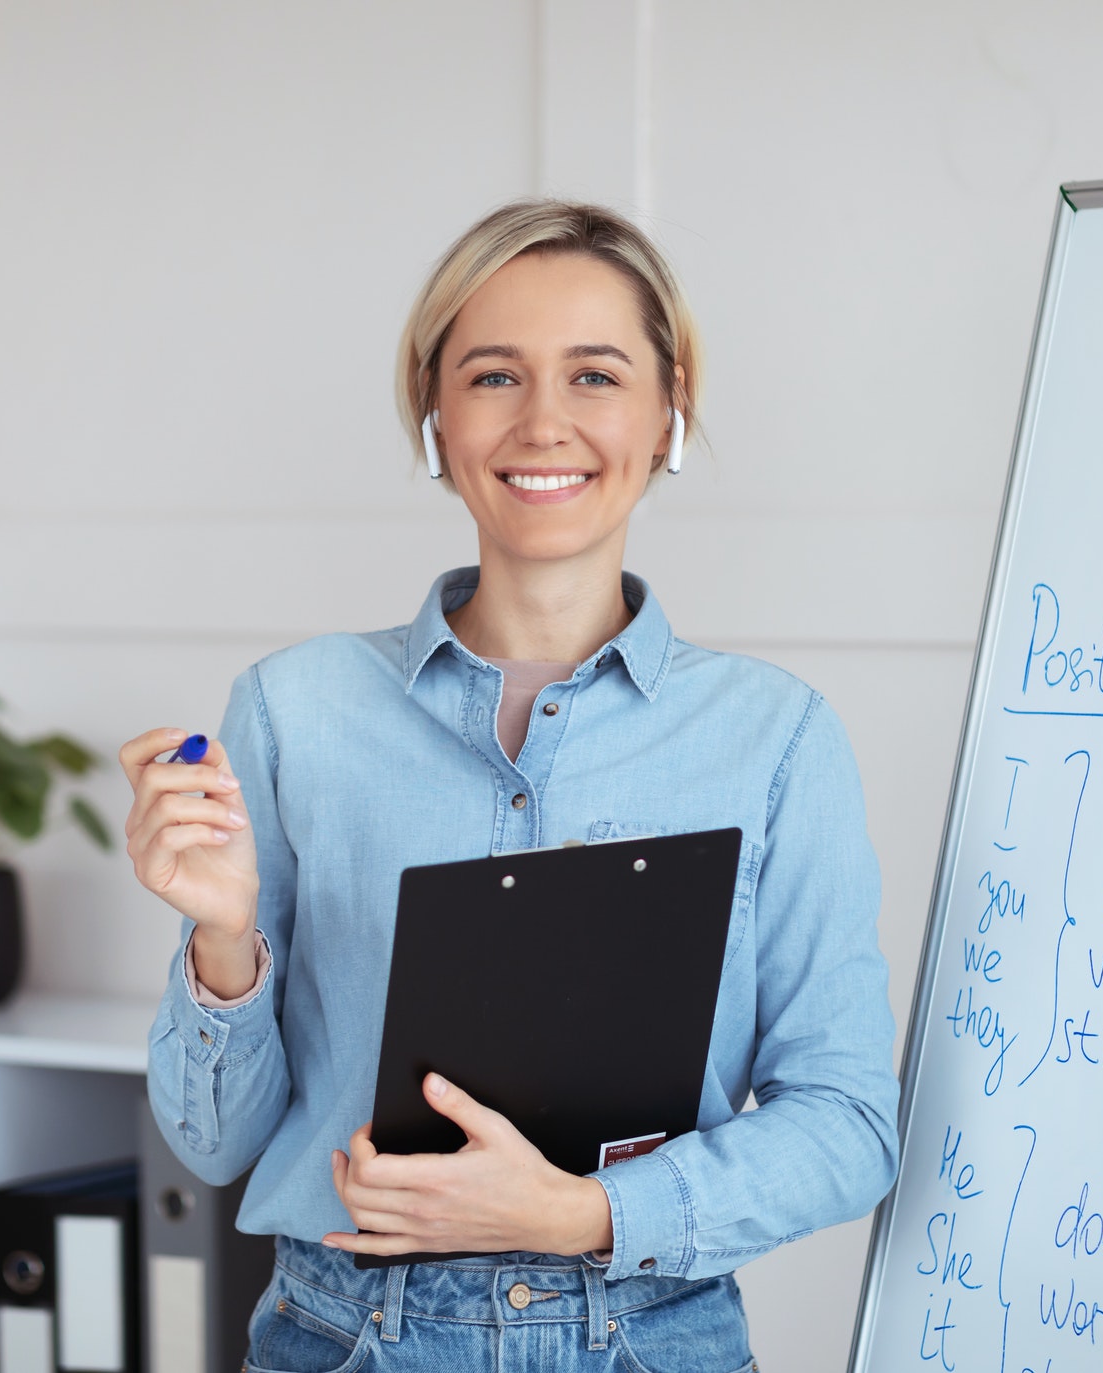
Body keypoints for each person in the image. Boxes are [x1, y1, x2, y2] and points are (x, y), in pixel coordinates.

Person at [122, 200, 899, 1372]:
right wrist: (220, 940)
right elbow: (211, 1141)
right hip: (343, 1337)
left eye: (594, 374)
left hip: (645, 1337)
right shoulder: (293, 710)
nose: (543, 422)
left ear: (667, 406)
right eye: (493, 375)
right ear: (435, 409)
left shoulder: (775, 739)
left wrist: (582, 1215)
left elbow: (846, 1125)